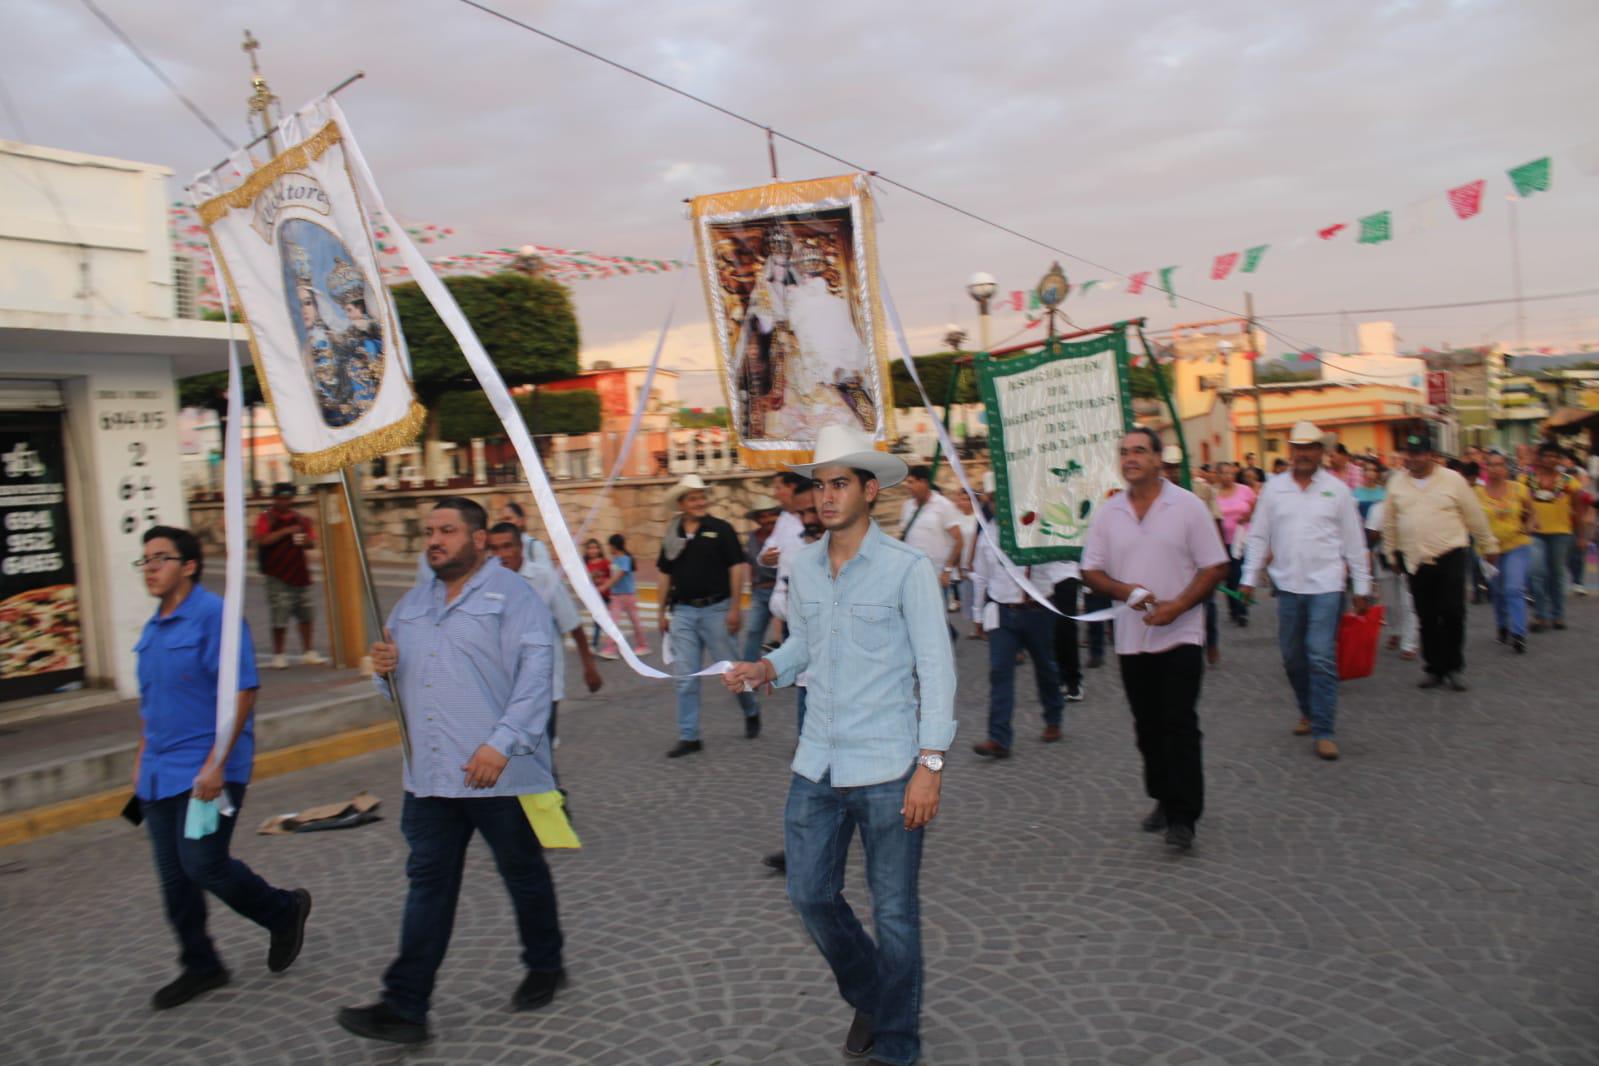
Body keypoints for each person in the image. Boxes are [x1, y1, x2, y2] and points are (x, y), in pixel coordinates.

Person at [722, 422, 955, 1066]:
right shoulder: (802, 564)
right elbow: (804, 643)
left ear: (870, 491)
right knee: (809, 894)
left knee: (897, 916)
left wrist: (929, 766)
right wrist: (768, 667)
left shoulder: (908, 570)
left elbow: (937, 669)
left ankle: (898, 1047)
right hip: (816, 762)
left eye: (839, 484)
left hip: (888, 765)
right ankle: (876, 996)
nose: (824, 497)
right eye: (818, 485)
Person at [338, 498, 564, 1045]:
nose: (434, 539)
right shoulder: (410, 607)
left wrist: (501, 745)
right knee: (428, 887)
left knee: (523, 873)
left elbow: (537, 678)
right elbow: (397, 690)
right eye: (428, 531)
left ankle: (545, 963)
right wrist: (383, 672)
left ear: (479, 539)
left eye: (447, 530)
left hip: (498, 776)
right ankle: (405, 1006)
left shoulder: (515, 598)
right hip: (432, 779)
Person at [133, 525, 312, 1010]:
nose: (150, 568)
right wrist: (139, 769)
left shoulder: (215, 617)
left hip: (207, 774)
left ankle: (282, 910)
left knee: (202, 863)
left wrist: (215, 764)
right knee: (174, 879)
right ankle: (201, 965)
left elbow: (243, 690)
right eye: (145, 560)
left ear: (189, 566)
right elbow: (153, 705)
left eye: (161, 558)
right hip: (157, 775)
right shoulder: (153, 627)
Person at [1082, 428, 1227, 852]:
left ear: (1158, 459)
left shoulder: (1187, 506)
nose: (1130, 459)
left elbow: (1215, 566)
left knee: (1179, 723)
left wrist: (1177, 607)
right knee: (1147, 726)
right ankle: (1163, 797)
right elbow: (1090, 570)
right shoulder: (1109, 512)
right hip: (1131, 639)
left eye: (1139, 451)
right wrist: (1126, 591)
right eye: (1124, 452)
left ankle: (1184, 816)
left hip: (1182, 634)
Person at [1240, 422, 1372, 760]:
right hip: (1287, 585)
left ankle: (1324, 729)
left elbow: (1354, 541)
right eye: (1297, 447)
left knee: (1319, 654)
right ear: (1290, 451)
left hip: (1327, 584)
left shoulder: (1337, 490)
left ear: (1321, 451)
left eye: (1310, 447)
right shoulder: (1274, 489)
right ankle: (1309, 710)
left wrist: (1362, 585)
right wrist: (1249, 576)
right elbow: (1258, 535)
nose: (1303, 453)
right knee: (1292, 657)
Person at [1381, 432, 1500, 691]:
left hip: (1450, 553)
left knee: (1452, 611)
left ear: (1431, 456)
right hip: (1415, 559)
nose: (1411, 458)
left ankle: (1455, 666)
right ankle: (1434, 667)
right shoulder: (1397, 484)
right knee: (1426, 615)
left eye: (1417, 454)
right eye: (1408, 454)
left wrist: (1488, 544)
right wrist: (1391, 553)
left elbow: (1474, 515)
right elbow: (1389, 521)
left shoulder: (1452, 480)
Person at [658, 473, 759, 756]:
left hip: (716, 610)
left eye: (702, 496)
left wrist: (736, 608)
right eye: (693, 498)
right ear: (682, 503)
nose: (699, 502)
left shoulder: (721, 529)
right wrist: (661, 612)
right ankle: (689, 735)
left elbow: (736, 568)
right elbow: (665, 573)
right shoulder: (672, 533)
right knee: (684, 676)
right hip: (683, 613)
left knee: (732, 670)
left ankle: (750, 709)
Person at [485, 522, 603, 748]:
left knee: (540, 752)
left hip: (543, 683)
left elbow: (573, 624)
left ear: (520, 548)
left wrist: (589, 667)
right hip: (505, 684)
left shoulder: (544, 578)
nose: (501, 555)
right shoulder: (488, 583)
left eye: (507, 547)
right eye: (495, 548)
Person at [969, 532, 1077, 758]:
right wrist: (977, 614)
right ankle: (998, 737)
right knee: (999, 671)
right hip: (1002, 610)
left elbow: (1063, 567)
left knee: (1046, 666)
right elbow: (981, 575)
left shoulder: (1041, 527)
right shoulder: (988, 533)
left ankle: (1053, 716)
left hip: (1037, 610)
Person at [1162, 446, 1224, 665]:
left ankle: (1212, 642)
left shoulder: (1200, 489)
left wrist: (1218, 556)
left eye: (1176, 467)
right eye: (1168, 467)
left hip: (1200, 556)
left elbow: (1216, 519)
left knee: (1207, 602)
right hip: (1174, 558)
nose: (1173, 472)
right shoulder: (1157, 492)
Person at [253, 483, 326, 669]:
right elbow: (262, 540)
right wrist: (285, 532)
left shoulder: (301, 520)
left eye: (287, 498)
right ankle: (279, 654)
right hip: (276, 574)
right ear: (274, 498)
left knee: (306, 614)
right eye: (280, 498)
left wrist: (306, 541)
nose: (284, 502)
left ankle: (308, 651)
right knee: (280, 615)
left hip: (300, 573)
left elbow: (312, 543)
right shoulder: (266, 518)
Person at [1475, 450, 1535, 654]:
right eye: (1491, 464)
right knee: (1498, 591)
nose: (1495, 469)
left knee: (1514, 588)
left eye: (1499, 464)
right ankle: (1503, 625)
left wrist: (1530, 524)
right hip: (1489, 549)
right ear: (1486, 468)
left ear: (1506, 467)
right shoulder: (1477, 493)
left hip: (1517, 544)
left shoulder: (1519, 489)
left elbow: (1531, 511)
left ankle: (1519, 633)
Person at [1525, 441, 1585, 632]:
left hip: (1561, 533)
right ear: (1540, 458)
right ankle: (1541, 616)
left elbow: (1578, 510)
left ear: (1560, 460)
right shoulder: (1525, 479)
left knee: (1557, 575)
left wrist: (1581, 536)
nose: (1551, 459)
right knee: (1537, 573)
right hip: (1535, 534)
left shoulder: (1569, 482)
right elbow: (1520, 506)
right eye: (1548, 455)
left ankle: (1557, 614)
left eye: (1555, 456)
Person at [897, 465, 964, 621]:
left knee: (936, 620)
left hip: (937, 576)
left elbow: (959, 540)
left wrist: (947, 570)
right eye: (908, 482)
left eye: (912, 482)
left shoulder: (943, 505)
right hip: (912, 576)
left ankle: (947, 639)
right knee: (916, 620)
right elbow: (904, 538)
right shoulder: (907, 507)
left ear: (924, 482)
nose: (908, 486)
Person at [1365, 496, 1419, 661]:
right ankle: (1395, 630)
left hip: (1410, 557)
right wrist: (1385, 530)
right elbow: (1371, 535)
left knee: (1408, 602)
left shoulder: (1415, 505)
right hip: (1384, 557)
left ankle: (1409, 643)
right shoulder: (1378, 508)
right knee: (1390, 602)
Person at [1212, 461, 1256, 627]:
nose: (1228, 477)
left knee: (1240, 573)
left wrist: (1248, 517)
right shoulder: (1214, 493)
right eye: (1224, 473)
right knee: (1229, 576)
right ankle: (1233, 608)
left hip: (1242, 538)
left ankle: (1242, 610)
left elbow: (1255, 505)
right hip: (1222, 540)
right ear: (1217, 475)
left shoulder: (1244, 490)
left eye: (1230, 473)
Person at [742, 495, 783, 662]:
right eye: (762, 516)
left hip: (784, 590)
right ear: (757, 519)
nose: (766, 519)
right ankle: (749, 676)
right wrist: (753, 587)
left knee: (792, 635)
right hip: (761, 591)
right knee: (753, 631)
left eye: (770, 514)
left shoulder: (786, 535)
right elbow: (751, 564)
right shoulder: (752, 537)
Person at [600, 533, 650, 656]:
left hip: (628, 595)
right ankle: (611, 648)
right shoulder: (615, 559)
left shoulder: (625, 559)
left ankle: (643, 646)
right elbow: (613, 576)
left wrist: (605, 586)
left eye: (610, 546)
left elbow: (619, 575)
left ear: (615, 546)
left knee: (635, 621)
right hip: (616, 596)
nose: (609, 548)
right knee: (613, 622)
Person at [951, 490, 980, 616]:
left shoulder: (979, 518)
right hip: (962, 563)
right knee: (967, 596)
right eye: (961, 499)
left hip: (978, 562)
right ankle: (975, 627)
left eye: (967, 499)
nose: (964, 502)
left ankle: (982, 625)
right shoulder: (956, 519)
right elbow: (954, 542)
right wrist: (957, 566)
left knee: (980, 595)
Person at [499, 501, 552, 568]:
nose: (504, 523)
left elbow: (546, 575)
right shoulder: (500, 550)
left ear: (521, 521)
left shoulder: (535, 546)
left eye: (508, 519)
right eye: (502, 520)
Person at [582, 538, 611, 648]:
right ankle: (598, 643)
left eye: (595, 548)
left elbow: (612, 576)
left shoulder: (605, 563)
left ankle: (595, 644)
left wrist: (605, 583)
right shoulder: (585, 565)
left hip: (605, 596)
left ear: (599, 549)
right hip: (594, 597)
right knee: (599, 621)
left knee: (601, 621)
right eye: (590, 548)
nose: (592, 551)